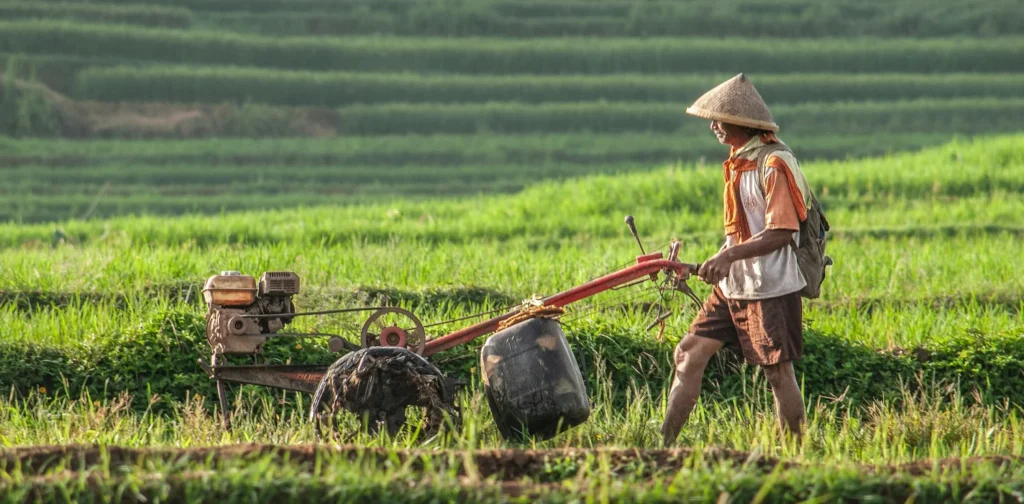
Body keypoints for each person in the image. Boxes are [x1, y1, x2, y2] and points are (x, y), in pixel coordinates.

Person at [661, 73, 813, 445]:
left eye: (719, 119)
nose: (713, 126)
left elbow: (782, 231)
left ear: (742, 122)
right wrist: (715, 261)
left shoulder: (774, 163)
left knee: (778, 373)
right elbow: (739, 234)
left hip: (771, 285)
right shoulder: (737, 164)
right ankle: (661, 447)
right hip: (736, 286)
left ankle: (795, 458)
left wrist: (730, 256)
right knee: (688, 353)